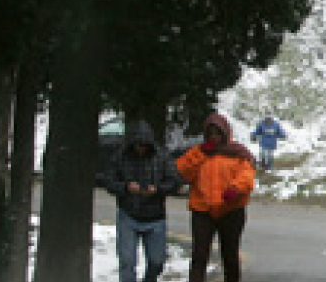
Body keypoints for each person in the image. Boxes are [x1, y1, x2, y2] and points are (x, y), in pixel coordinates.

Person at [175, 113, 256, 282]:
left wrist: (235, 189)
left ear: (225, 133)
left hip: (231, 210)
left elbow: (247, 177)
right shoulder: (198, 153)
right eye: (211, 133)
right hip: (202, 211)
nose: (214, 137)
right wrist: (201, 154)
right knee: (199, 255)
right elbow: (182, 171)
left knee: (230, 255)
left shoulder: (237, 153)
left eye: (218, 133)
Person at [101, 120, 182, 282]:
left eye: (144, 145)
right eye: (138, 145)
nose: (141, 148)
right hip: (128, 214)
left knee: (157, 261)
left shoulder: (162, 156)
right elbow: (109, 180)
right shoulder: (121, 156)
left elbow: (175, 181)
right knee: (127, 262)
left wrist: (157, 189)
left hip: (155, 217)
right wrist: (125, 187)